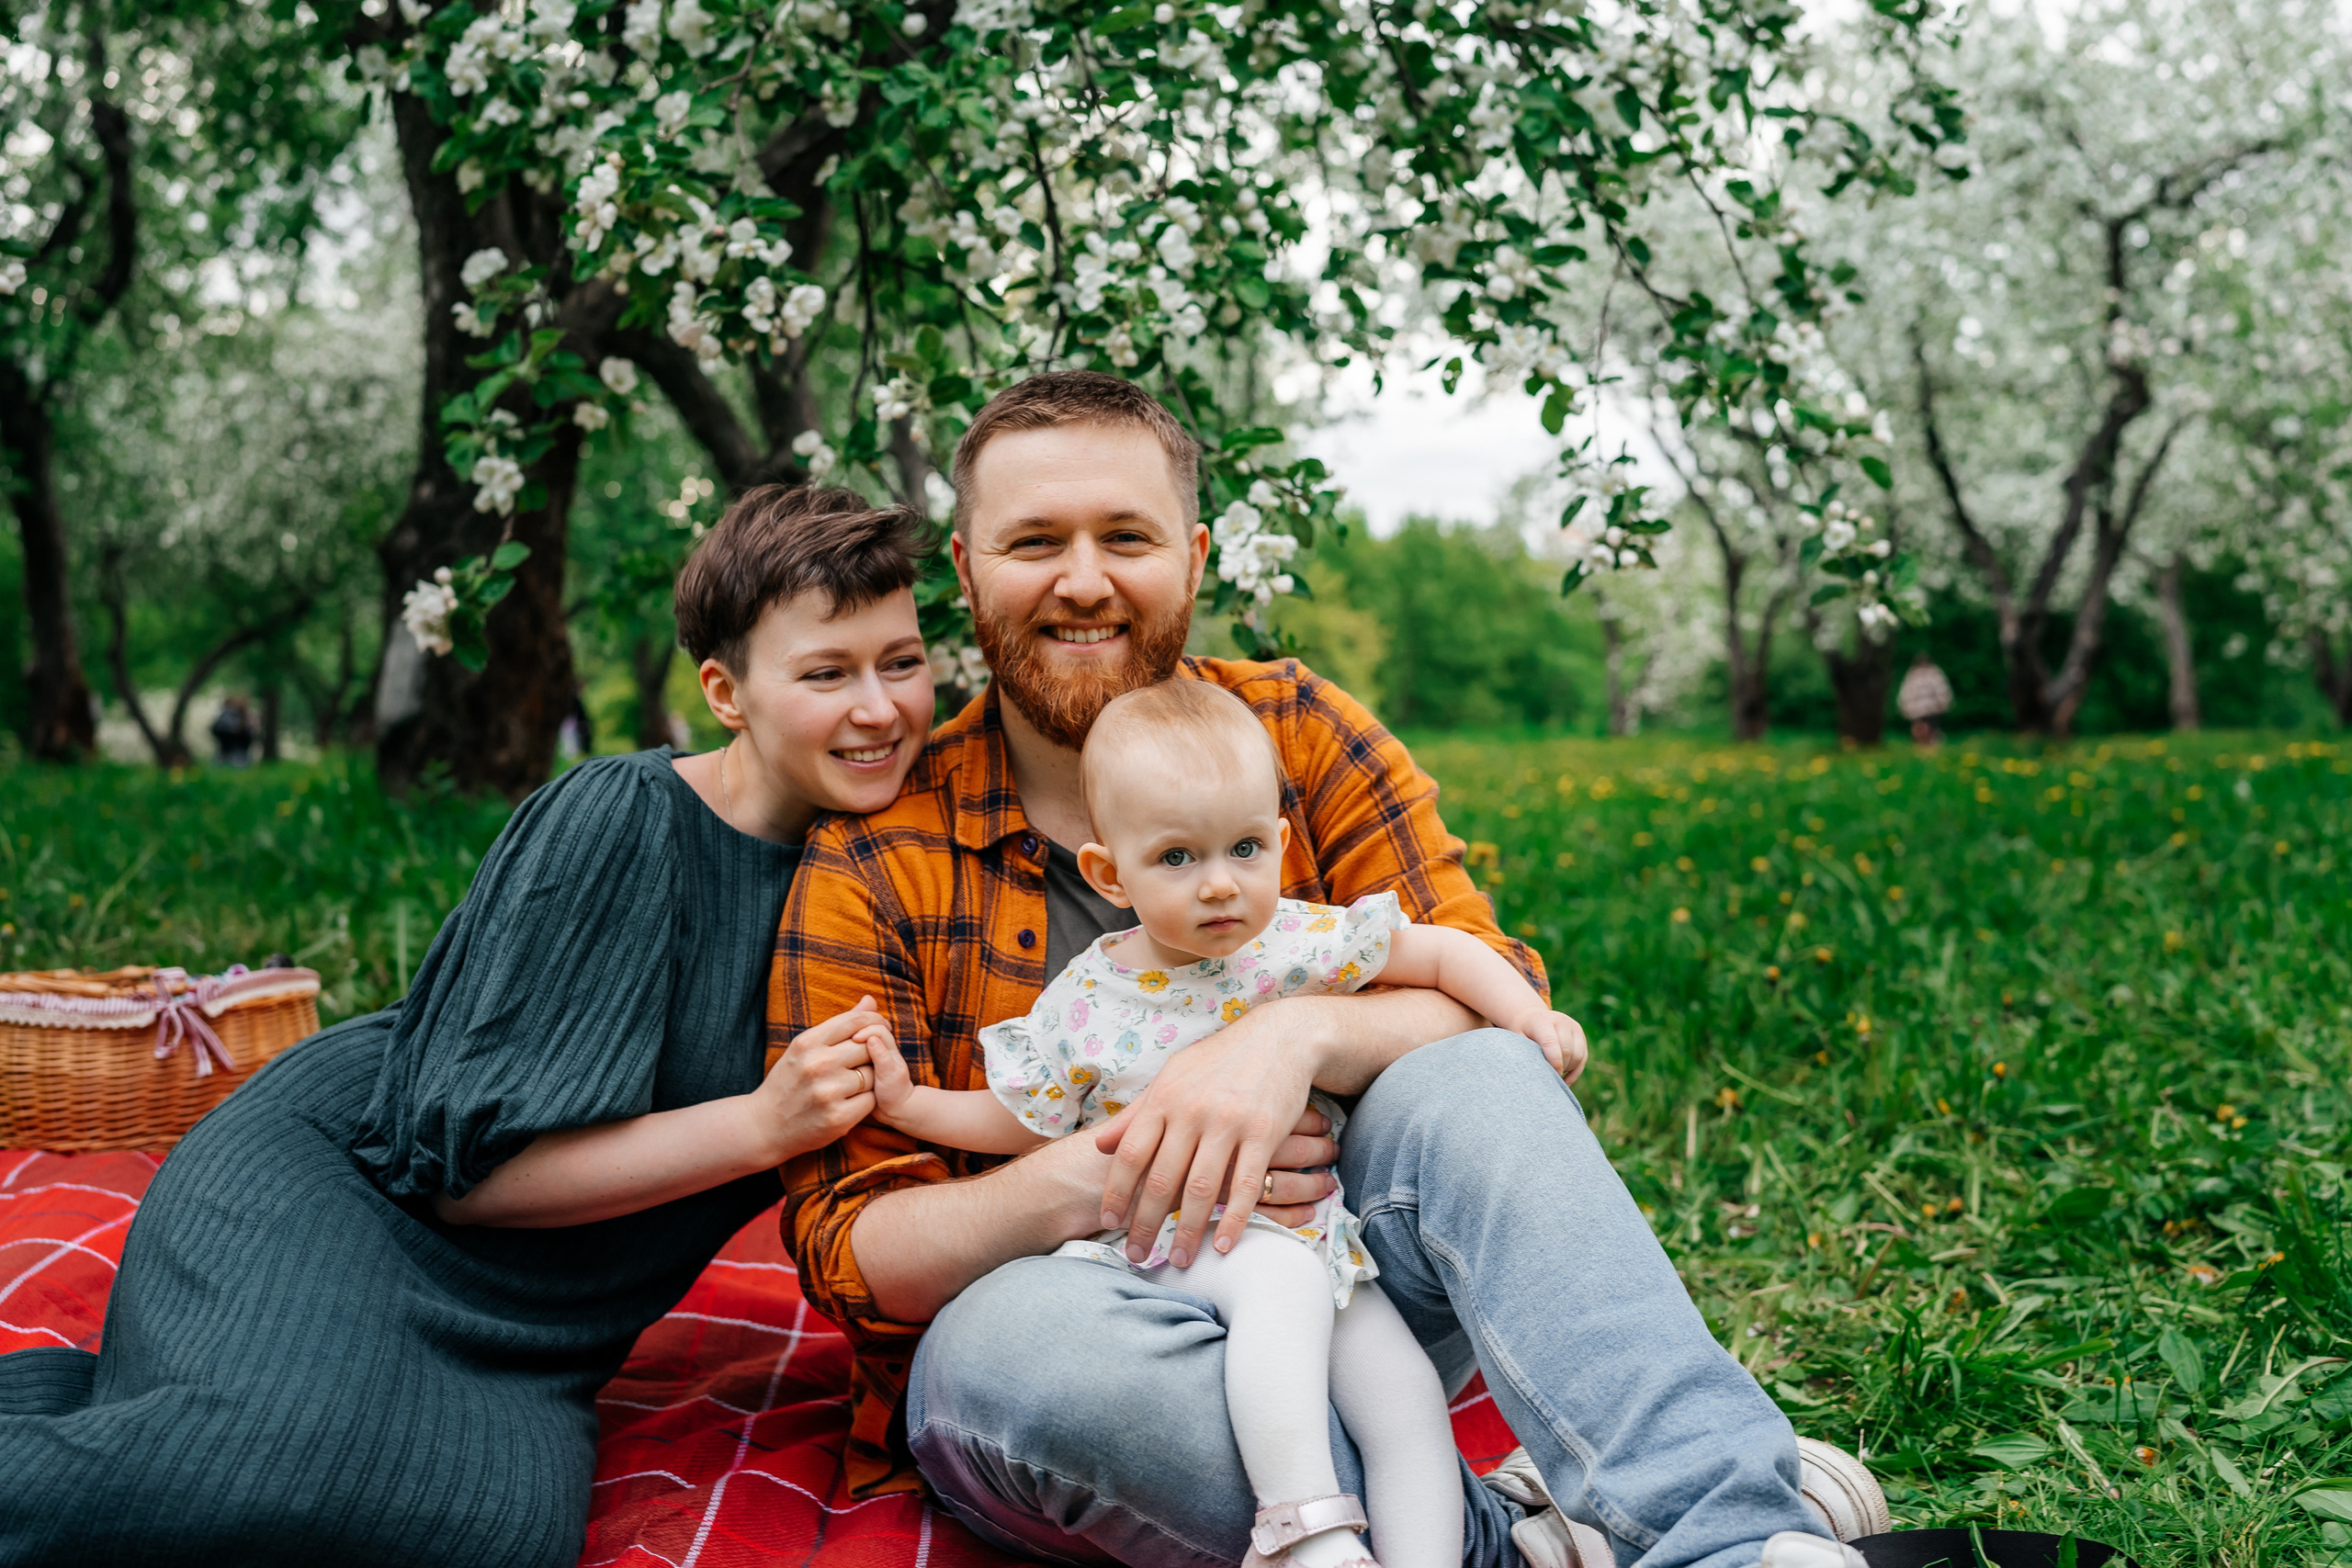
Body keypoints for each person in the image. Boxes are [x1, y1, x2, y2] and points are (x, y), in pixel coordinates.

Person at [774, 371, 1880, 1568]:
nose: (1083, 579)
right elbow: (849, 1248)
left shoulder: (1299, 731)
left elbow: (1488, 981)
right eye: (1034, 540)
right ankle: (1508, 1542)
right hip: (1082, 1325)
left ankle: (1725, 1532)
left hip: (1350, 1273)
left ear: (1192, 556)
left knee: (1478, 1076)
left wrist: (1286, 1040)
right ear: (967, 565)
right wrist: (1106, 1170)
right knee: (1020, 1363)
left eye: (1126, 537)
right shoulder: (877, 851)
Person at [0, 486, 933, 1567]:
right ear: (725, 692)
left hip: (536, 1329)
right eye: (827, 673)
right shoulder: (621, 819)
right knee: (257, 1468)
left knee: (487, 1536)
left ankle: (139, 1393)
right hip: (353, 1194)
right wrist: (765, 1126)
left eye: (901, 662)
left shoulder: (881, 865)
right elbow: (468, 1177)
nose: (878, 709)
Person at [863, 678, 1588, 1568]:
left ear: (1279, 844)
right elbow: (1020, 1118)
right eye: (1175, 859)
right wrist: (906, 1106)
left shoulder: (1294, 942)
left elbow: (1437, 949)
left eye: (1244, 848)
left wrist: (1527, 1020)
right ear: (1108, 873)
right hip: (1160, 1251)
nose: (1218, 885)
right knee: (1278, 1287)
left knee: (1399, 1392)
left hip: (1313, 1237)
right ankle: (1302, 1532)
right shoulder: (1089, 999)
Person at [1897, 653, 1953, 748]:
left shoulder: (1934, 674)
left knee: (1931, 729)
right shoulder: (1913, 676)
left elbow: (1941, 691)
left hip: (1931, 710)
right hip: (1919, 710)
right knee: (1920, 730)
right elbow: (1907, 694)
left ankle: (1932, 747)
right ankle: (1922, 748)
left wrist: (1943, 703)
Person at [210, 694, 256, 767]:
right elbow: (216, 730)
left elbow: (250, 735)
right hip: (227, 750)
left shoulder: (246, 717)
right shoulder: (227, 716)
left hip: (240, 751)